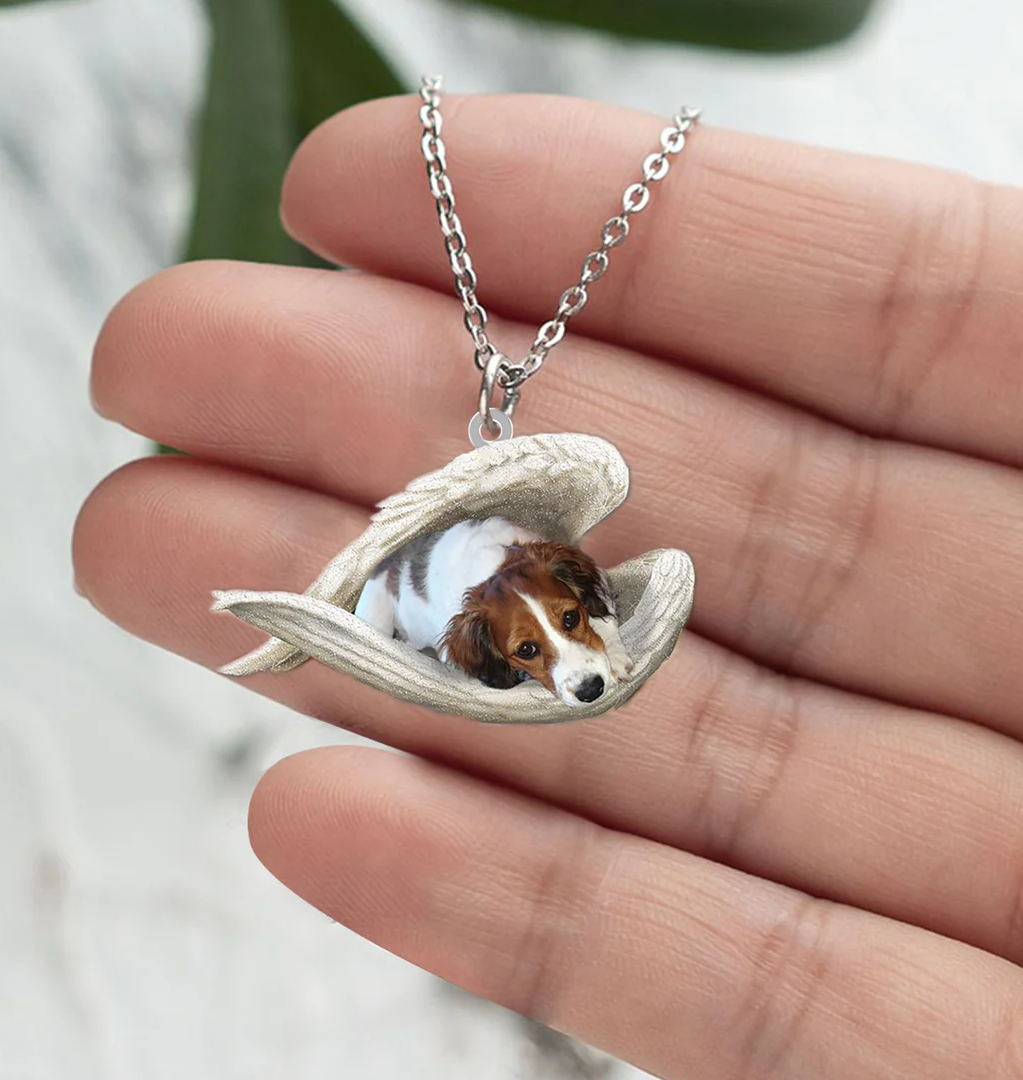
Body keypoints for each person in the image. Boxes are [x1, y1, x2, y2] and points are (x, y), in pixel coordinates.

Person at [73, 94, 1023, 1079]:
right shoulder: (446, 616)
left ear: (585, 590)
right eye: (536, 651)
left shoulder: (552, 566)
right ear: (490, 659)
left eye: (572, 623)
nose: (578, 666)